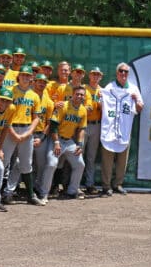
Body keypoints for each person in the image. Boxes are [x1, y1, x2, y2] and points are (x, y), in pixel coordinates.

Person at [99, 63, 144, 196]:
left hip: (124, 129)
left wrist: (136, 101)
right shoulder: (109, 87)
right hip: (110, 128)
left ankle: (118, 184)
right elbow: (101, 106)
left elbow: (140, 108)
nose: (123, 74)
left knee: (122, 161)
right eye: (121, 71)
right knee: (107, 160)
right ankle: (106, 186)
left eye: (126, 72)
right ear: (117, 73)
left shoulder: (133, 89)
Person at [2, 65, 42, 205]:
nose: (25, 77)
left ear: (32, 78)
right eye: (23, 75)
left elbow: (36, 117)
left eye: (28, 75)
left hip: (26, 130)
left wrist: (28, 133)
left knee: (26, 164)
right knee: (3, 162)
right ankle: (0, 194)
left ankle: (30, 195)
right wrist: (12, 131)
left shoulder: (34, 95)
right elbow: (4, 113)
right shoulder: (10, 91)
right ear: (18, 77)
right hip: (10, 129)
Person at [39, 85, 88, 202]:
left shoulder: (83, 110)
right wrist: (56, 142)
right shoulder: (63, 106)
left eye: (82, 95)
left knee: (80, 164)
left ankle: (72, 191)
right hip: (56, 139)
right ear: (72, 95)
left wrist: (80, 144)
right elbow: (54, 126)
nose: (79, 96)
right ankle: (43, 193)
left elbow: (81, 129)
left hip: (69, 141)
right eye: (77, 94)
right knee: (52, 164)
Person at [83, 66, 104, 194]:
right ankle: (71, 183)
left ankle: (89, 184)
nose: (95, 76)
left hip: (96, 125)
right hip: (83, 124)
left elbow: (105, 110)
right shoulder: (84, 88)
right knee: (78, 154)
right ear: (89, 76)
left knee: (91, 156)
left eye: (98, 75)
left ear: (101, 77)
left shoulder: (103, 91)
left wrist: (102, 103)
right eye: (93, 74)